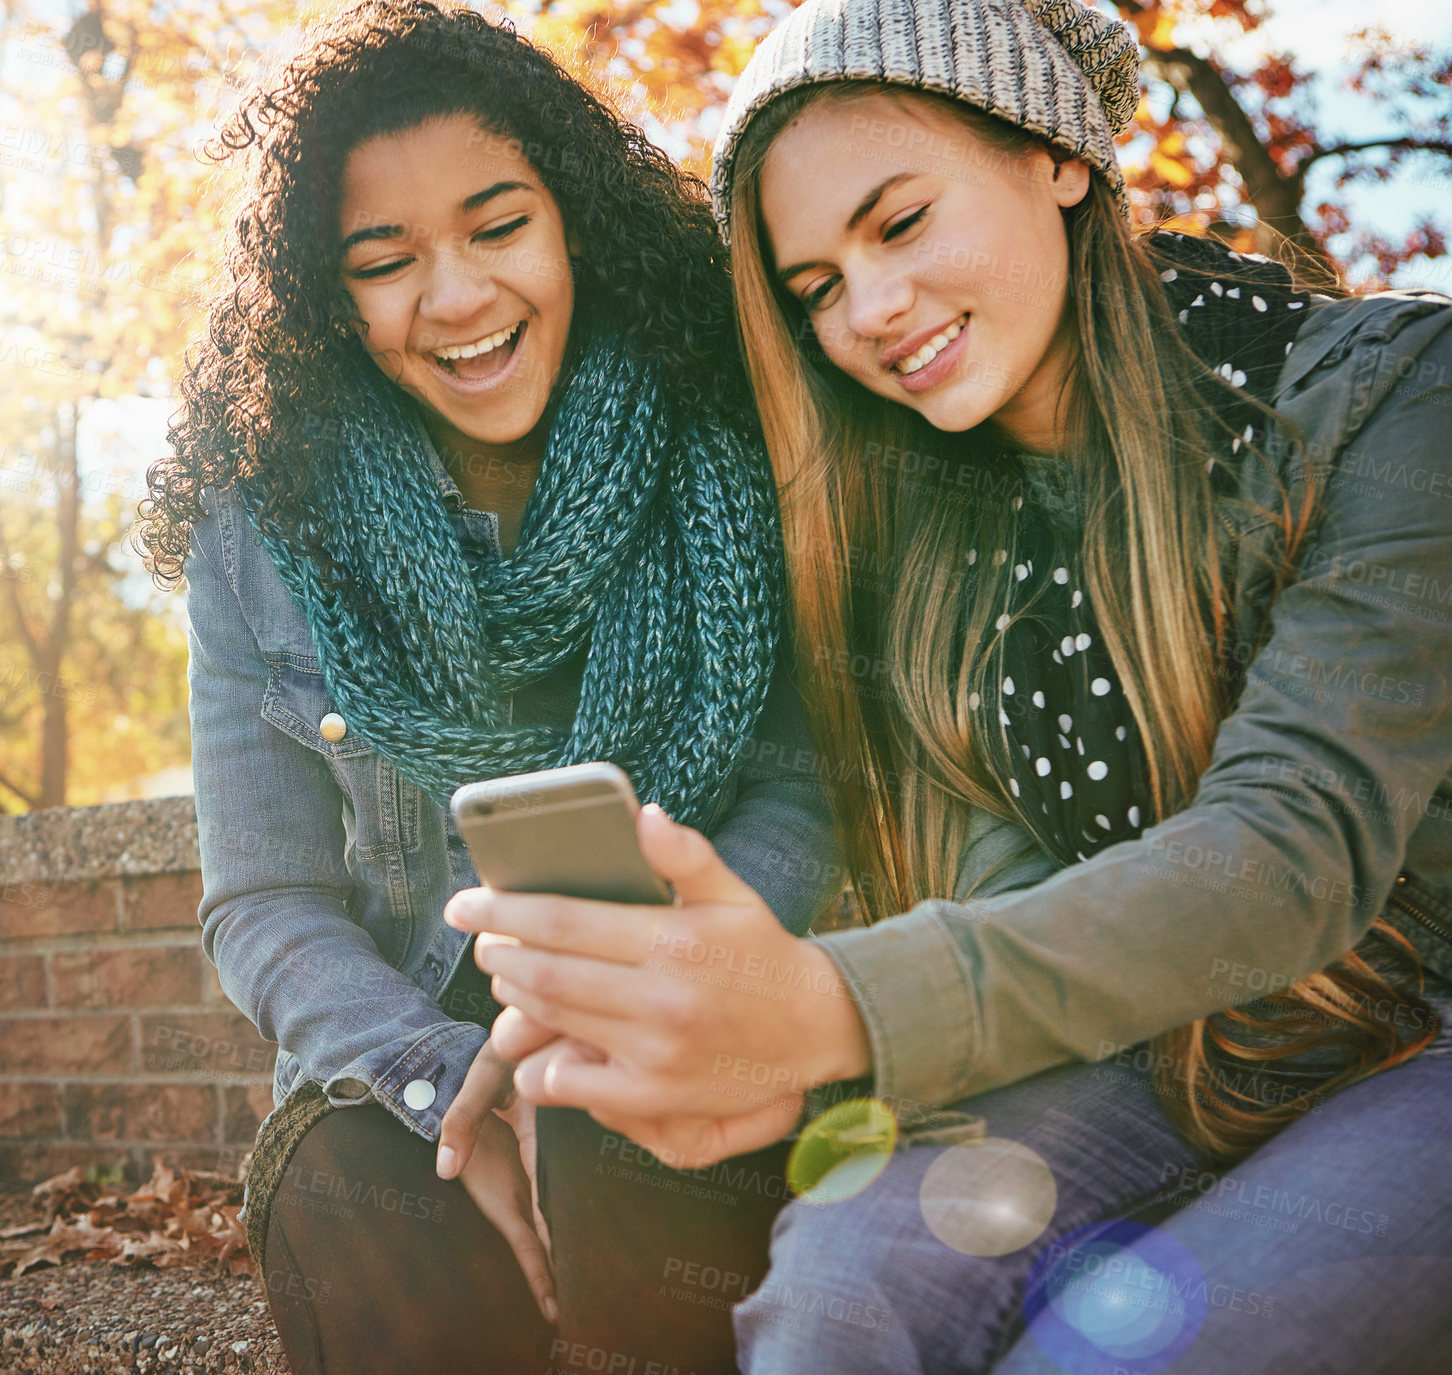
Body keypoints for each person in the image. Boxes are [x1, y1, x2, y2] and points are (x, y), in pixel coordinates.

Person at [446, 0, 1452, 1370]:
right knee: (837, 1306)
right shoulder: (921, 524)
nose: (868, 313)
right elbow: (1003, 907)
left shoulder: (1399, 401)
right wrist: (710, 1028)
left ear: (1055, 155)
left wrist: (830, 1006)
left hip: (1422, 1037)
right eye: (814, 287)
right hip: (1154, 1049)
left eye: (900, 223)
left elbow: (1288, 855)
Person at [134, 2, 845, 1371]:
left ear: (573, 220)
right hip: (385, 1082)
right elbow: (265, 901)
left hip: (682, 1015)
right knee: (380, 1225)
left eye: (499, 226)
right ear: (327, 298)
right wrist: (454, 1076)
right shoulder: (255, 531)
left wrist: (637, 1003)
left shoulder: (738, 441)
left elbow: (803, 787)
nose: (457, 299)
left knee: (627, 1143)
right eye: (385, 261)